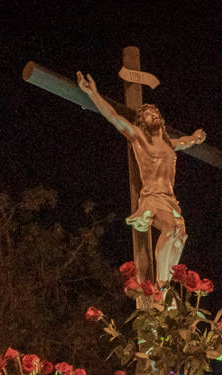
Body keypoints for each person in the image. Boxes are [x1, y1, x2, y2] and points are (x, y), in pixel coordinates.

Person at [76, 71, 206, 283]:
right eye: (148, 113)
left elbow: (185, 141)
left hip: (170, 199)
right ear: (141, 121)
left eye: (155, 112)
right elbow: (113, 116)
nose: (153, 114)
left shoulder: (169, 144)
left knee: (180, 236)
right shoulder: (139, 139)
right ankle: (162, 287)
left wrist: (196, 138)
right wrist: (93, 94)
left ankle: (169, 284)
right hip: (153, 197)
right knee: (170, 229)